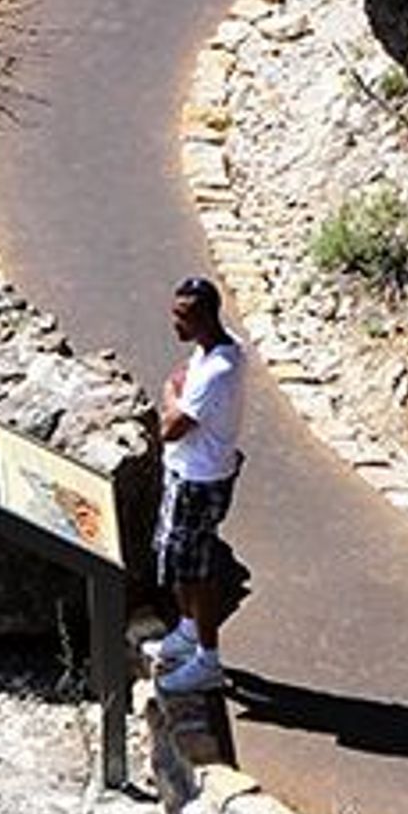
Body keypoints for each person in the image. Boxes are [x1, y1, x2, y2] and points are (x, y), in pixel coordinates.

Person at [151, 275, 247, 695]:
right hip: (191, 473)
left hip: (198, 480)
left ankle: (207, 659)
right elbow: (185, 371)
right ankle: (189, 633)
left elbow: (170, 427)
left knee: (197, 572)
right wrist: (179, 386)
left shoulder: (218, 372)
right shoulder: (222, 348)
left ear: (206, 317)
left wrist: (169, 393)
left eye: (184, 317)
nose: (175, 324)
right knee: (181, 563)